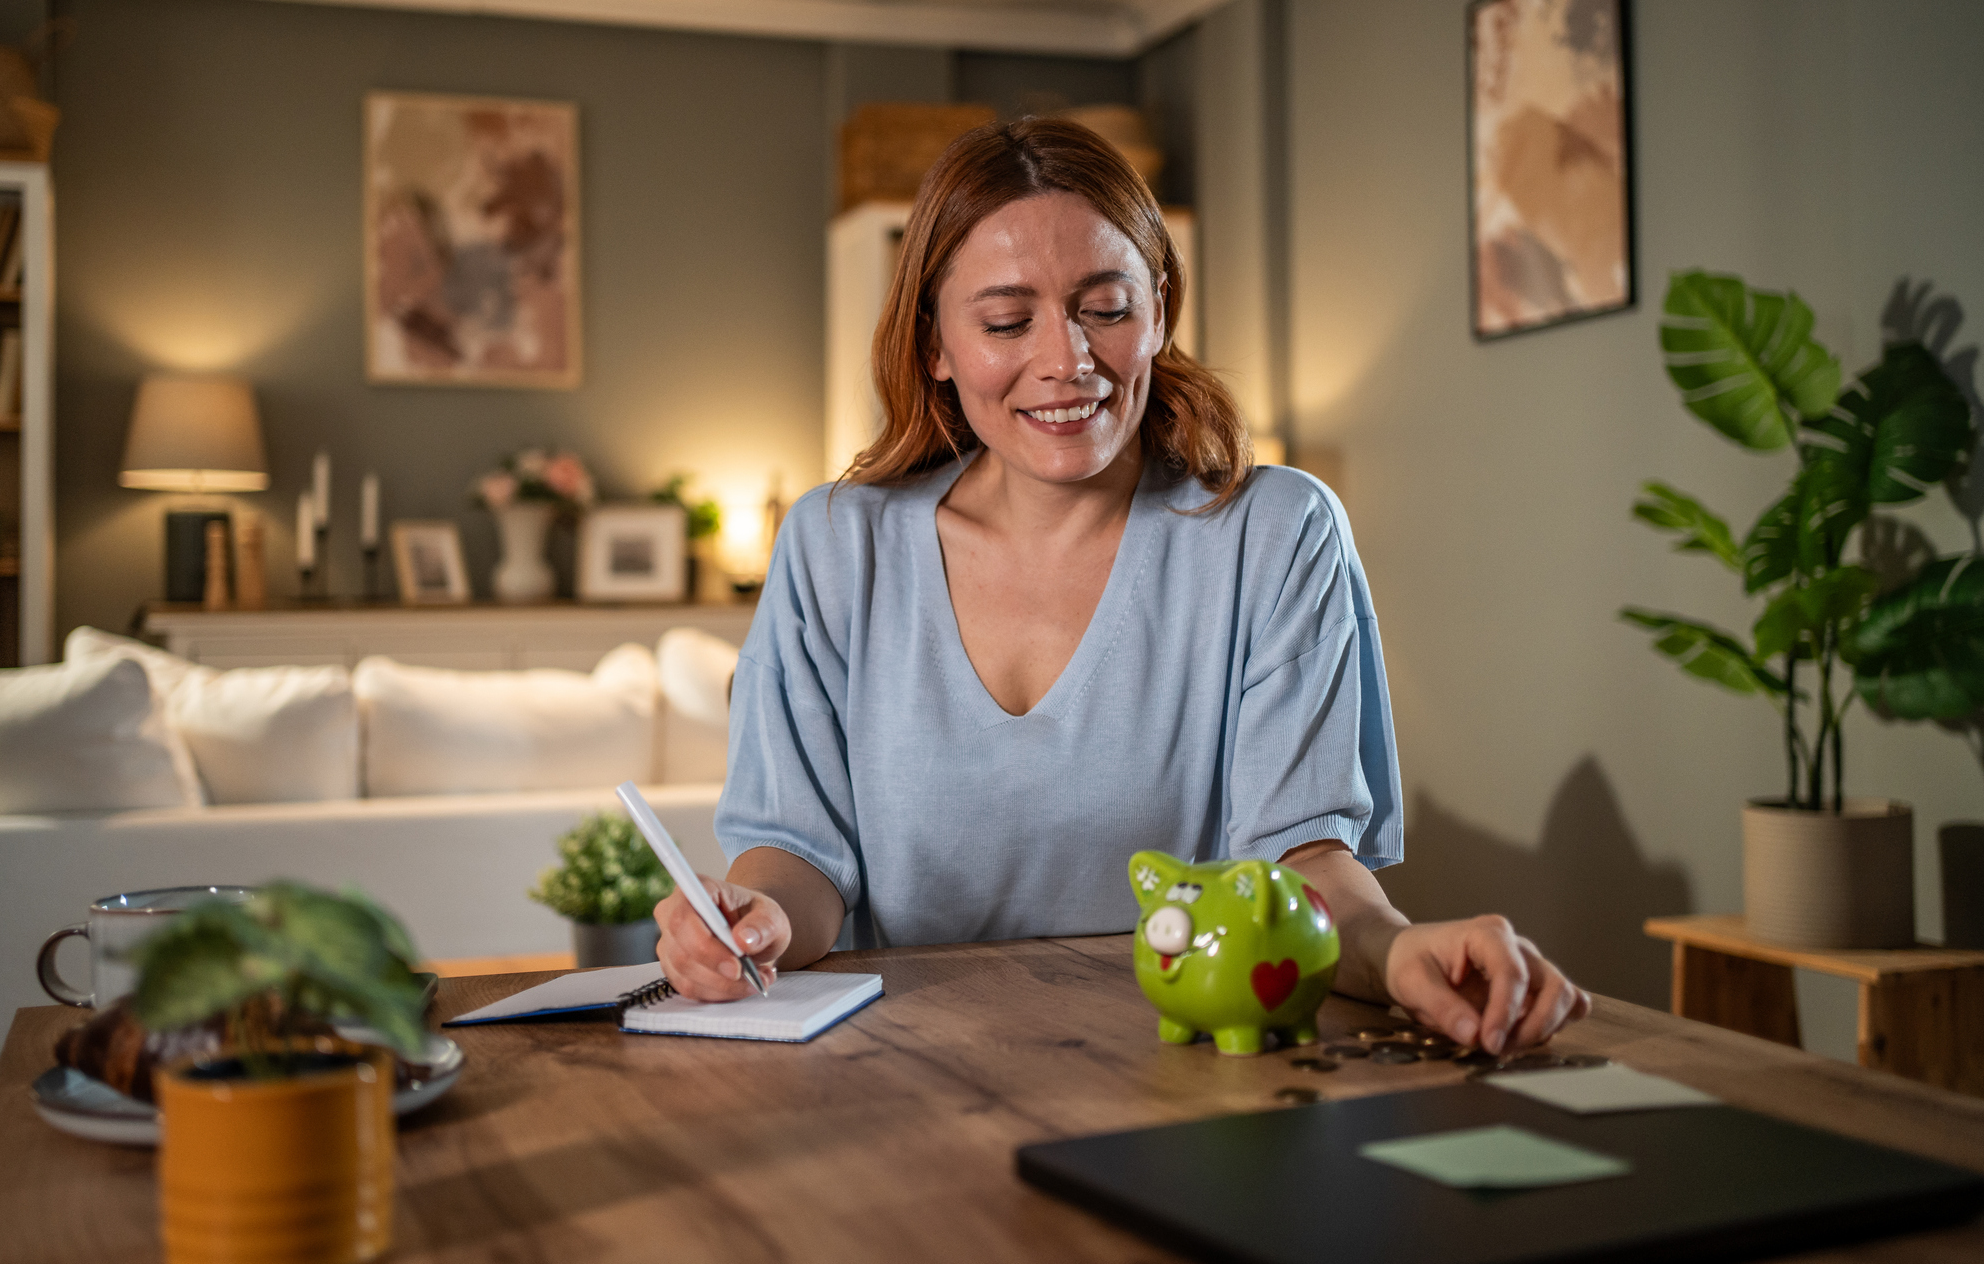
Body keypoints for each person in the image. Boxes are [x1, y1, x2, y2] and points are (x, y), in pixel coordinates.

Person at [655, 117, 1589, 1055]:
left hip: (1184, 1070)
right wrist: (757, 918)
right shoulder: (831, 545)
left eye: (1105, 307)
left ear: (1162, 308)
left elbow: (1301, 869)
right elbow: (800, 861)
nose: (1067, 360)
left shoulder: (1275, 534)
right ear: (935, 342)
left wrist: (1396, 954)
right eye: (1006, 321)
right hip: (906, 1081)